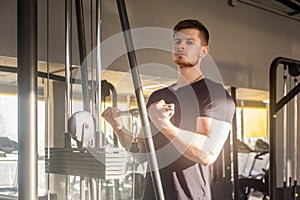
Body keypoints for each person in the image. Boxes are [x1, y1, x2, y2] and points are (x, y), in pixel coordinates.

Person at [102, 19, 235, 200]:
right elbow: (141, 152)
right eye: (177, 42)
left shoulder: (214, 94)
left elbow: (207, 153)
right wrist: (118, 127)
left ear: (204, 51)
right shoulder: (158, 96)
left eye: (189, 42)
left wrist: (164, 125)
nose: (181, 46)